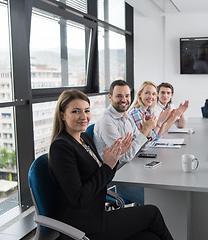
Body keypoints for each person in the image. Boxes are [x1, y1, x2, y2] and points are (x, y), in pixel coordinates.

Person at [48, 89, 174, 240]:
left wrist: (114, 160)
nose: (83, 116)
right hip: (82, 225)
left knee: (151, 237)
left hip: (97, 214)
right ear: (63, 115)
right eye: (75, 111)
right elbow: (79, 197)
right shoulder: (61, 147)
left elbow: (102, 178)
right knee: (152, 213)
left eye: (86, 111)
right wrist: (107, 166)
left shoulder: (85, 139)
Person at [94, 80, 156, 205]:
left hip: (132, 171)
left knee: (160, 188)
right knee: (157, 199)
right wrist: (144, 132)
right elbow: (125, 157)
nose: (124, 99)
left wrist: (147, 133)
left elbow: (143, 148)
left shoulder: (126, 117)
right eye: (119, 96)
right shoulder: (106, 121)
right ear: (110, 97)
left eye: (127, 96)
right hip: (118, 179)